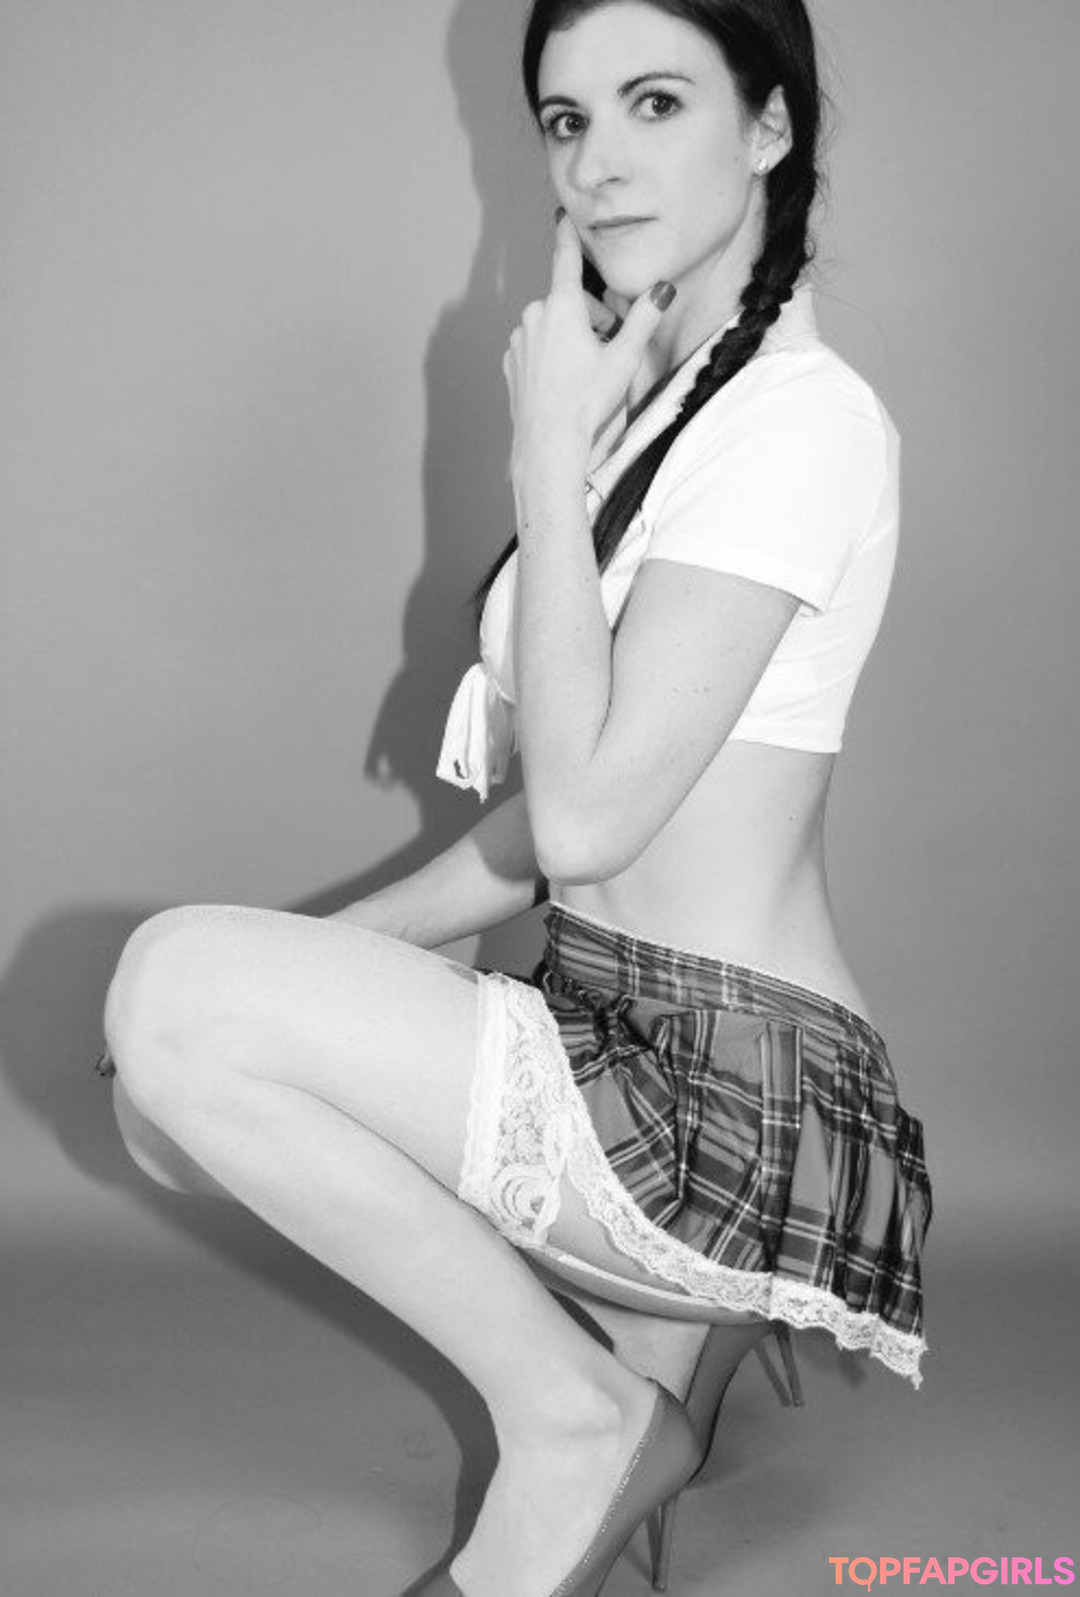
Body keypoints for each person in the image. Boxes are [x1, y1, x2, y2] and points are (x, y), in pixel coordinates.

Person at [96, 2, 933, 1593]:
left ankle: (575, 1417)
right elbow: (546, 829)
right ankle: (641, 1338)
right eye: (566, 120)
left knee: (173, 992)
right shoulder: (671, 404)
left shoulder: (801, 426)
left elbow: (587, 824)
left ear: (770, 127)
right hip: (600, 1015)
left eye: (655, 103)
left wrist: (547, 454)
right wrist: (335, 953)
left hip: (729, 1086)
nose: (597, 163)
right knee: (163, 1099)